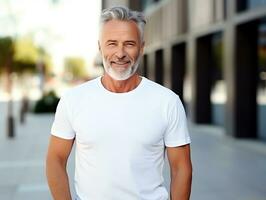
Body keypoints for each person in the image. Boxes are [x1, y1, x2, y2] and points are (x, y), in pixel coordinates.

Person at [46, 6, 192, 200]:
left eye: (129, 44)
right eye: (112, 43)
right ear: (100, 47)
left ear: (141, 47)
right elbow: (55, 159)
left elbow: (181, 168)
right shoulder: (73, 100)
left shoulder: (167, 102)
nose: (120, 53)